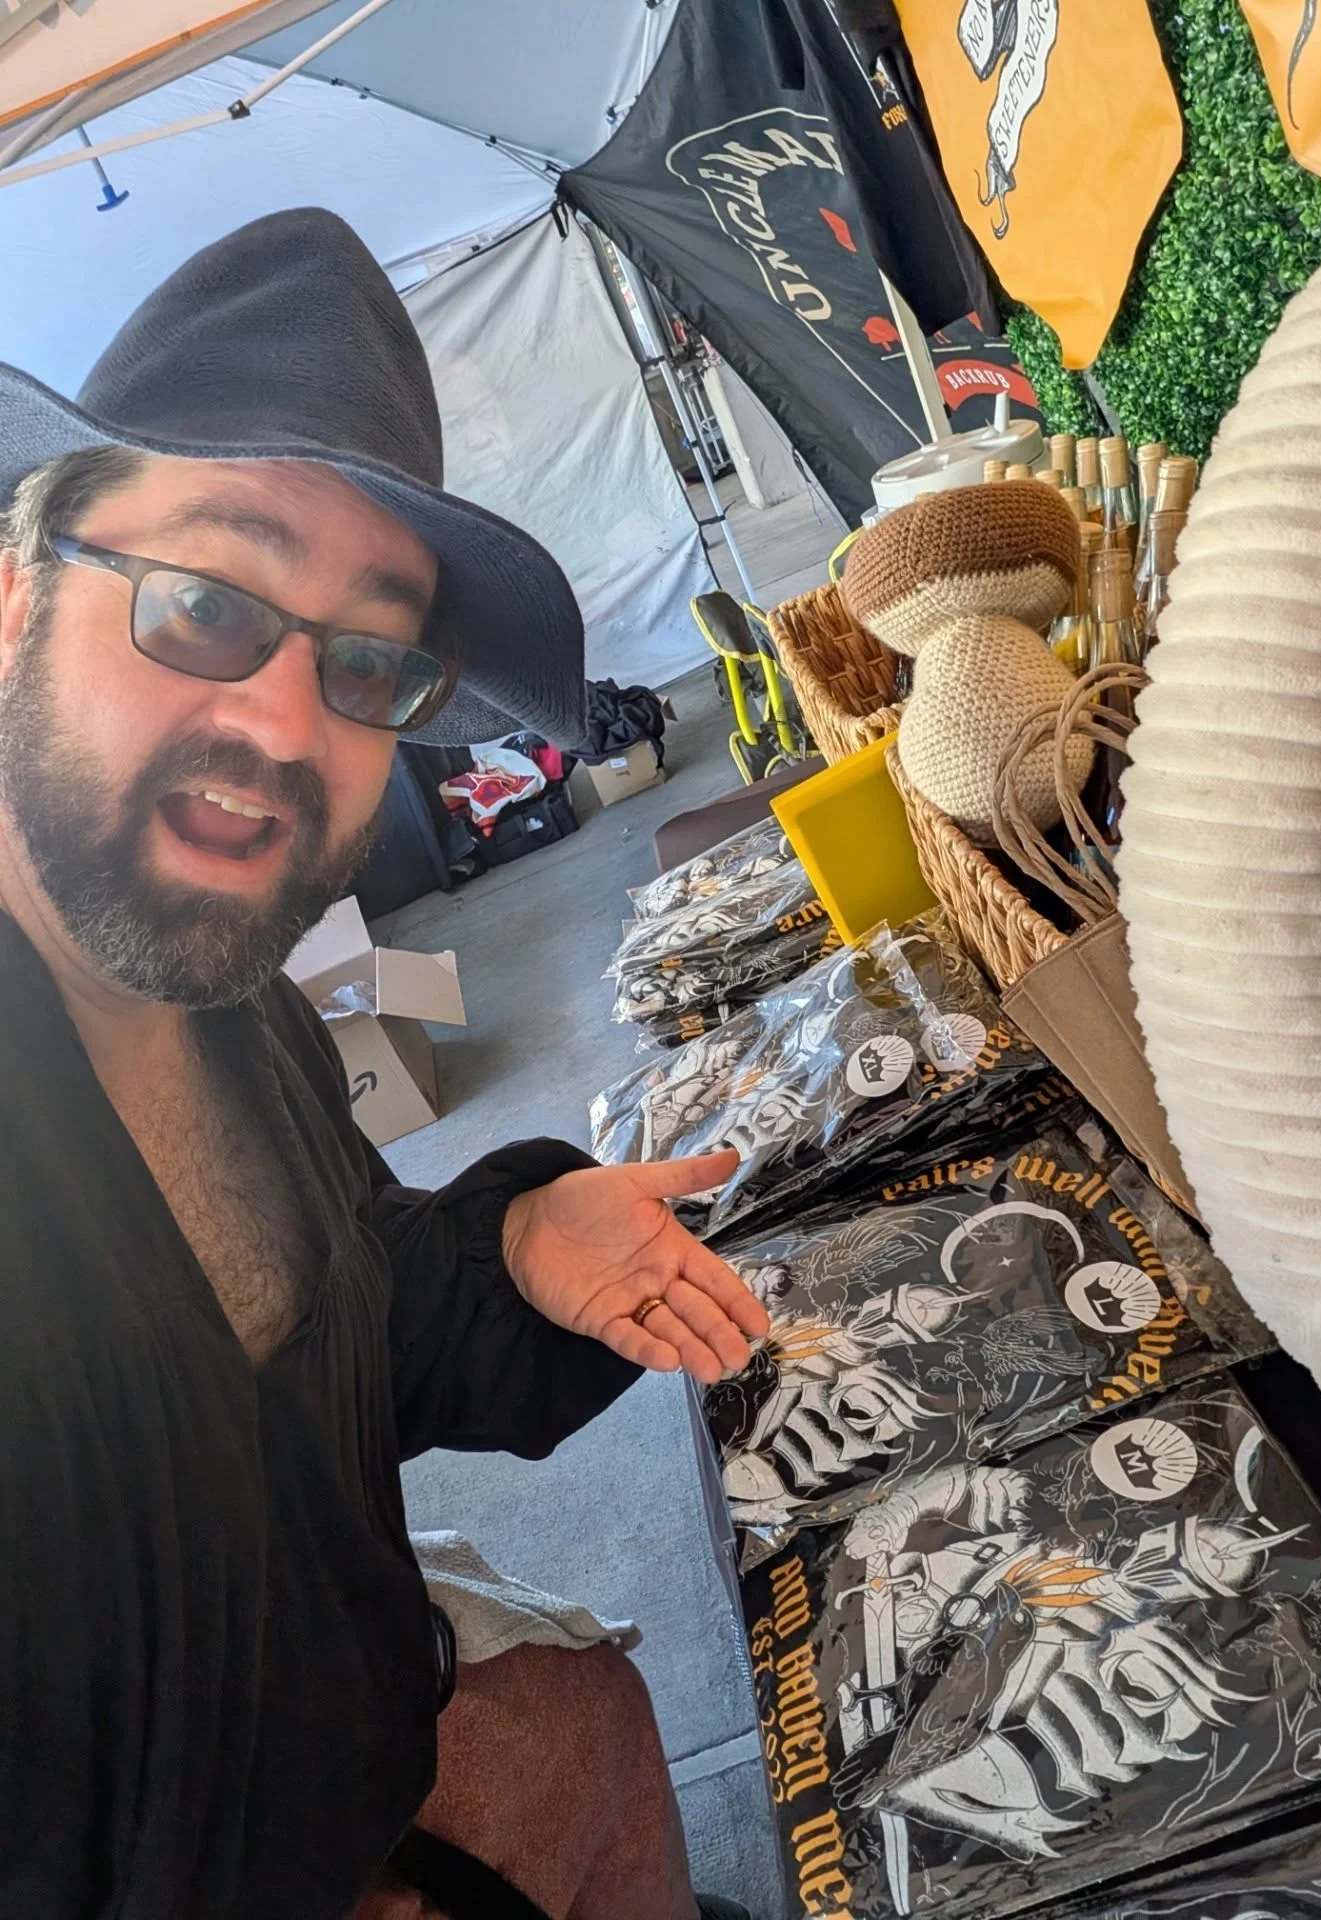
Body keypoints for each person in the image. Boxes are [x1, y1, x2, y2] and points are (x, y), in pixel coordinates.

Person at [0, 209, 769, 1919]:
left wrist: (513, 1240)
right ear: (15, 601)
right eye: (205, 603)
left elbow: (327, 1316)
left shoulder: (228, 1001)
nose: (286, 725)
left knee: (590, 1722)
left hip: (359, 1770)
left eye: (365, 660)